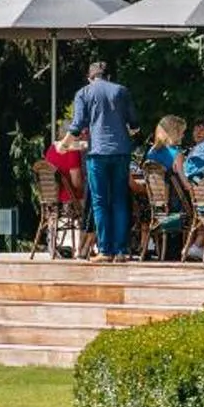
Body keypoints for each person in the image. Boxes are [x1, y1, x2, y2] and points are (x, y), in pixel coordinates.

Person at [68, 60, 138, 260]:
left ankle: (105, 250)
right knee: (119, 199)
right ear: (108, 76)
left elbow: (77, 125)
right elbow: (134, 124)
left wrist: (64, 144)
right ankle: (122, 251)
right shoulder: (122, 91)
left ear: (91, 78)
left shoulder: (84, 93)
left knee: (100, 202)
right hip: (122, 152)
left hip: (97, 153)